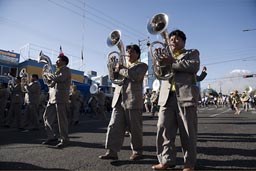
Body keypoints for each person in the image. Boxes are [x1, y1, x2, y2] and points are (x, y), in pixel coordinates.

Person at [152, 30, 200, 171]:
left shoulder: (192, 53)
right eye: (171, 39)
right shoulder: (167, 55)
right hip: (166, 97)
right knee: (163, 130)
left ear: (184, 41)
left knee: (188, 132)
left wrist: (171, 61)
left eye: (177, 39)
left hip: (185, 96)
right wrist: (158, 61)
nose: (173, 41)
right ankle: (166, 160)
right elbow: (159, 74)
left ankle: (189, 163)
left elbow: (193, 66)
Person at [99, 44, 148, 160]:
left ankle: (137, 151)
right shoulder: (123, 65)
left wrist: (121, 68)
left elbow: (135, 76)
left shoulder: (142, 66)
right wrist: (111, 66)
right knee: (114, 125)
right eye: (127, 52)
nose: (128, 54)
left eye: (131, 52)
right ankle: (112, 151)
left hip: (133, 100)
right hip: (118, 99)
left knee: (134, 128)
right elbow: (113, 78)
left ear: (137, 54)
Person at [42, 52, 71, 148]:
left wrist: (48, 74)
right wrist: (46, 78)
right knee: (46, 117)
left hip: (61, 98)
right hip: (52, 98)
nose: (56, 61)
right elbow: (51, 84)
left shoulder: (66, 70)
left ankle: (65, 139)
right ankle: (51, 137)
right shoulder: (57, 71)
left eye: (58, 60)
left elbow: (60, 79)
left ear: (64, 62)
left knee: (61, 120)